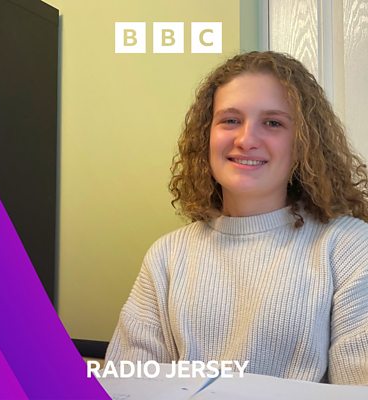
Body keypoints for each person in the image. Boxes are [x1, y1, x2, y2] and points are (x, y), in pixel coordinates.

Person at [105, 51, 368, 385]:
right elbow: (127, 384)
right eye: (230, 120)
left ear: (304, 143)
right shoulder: (167, 255)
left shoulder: (350, 248)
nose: (246, 140)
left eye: (273, 123)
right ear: (206, 135)